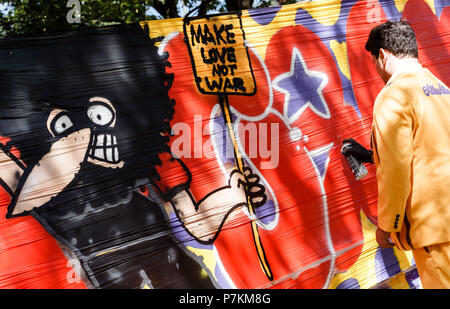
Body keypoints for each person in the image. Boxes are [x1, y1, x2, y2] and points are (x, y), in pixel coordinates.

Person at [342, 21, 450, 288]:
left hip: (432, 230)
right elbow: (425, 145)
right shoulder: (441, 88)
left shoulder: (393, 95)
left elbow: (396, 168)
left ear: (383, 55)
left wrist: (388, 224)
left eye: (375, 61)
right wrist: (370, 155)